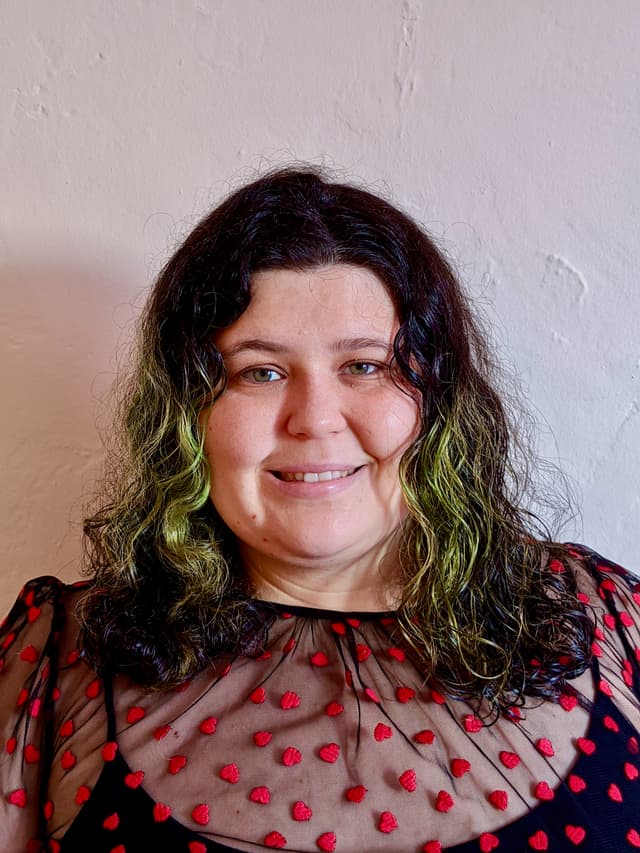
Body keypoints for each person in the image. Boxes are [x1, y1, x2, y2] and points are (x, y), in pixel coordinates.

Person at [1, 167, 638, 853]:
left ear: (440, 403)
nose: (315, 420)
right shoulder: (63, 656)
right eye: (260, 371)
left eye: (364, 365)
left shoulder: (607, 621)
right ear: (187, 414)